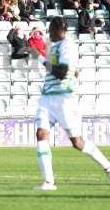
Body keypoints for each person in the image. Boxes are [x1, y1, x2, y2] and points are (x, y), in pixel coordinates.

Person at [33, 17, 110, 190]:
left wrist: (40, 59)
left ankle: (107, 166)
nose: (49, 33)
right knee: (41, 134)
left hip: (64, 99)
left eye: (51, 29)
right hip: (47, 98)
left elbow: (61, 73)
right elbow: (67, 71)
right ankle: (48, 181)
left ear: (60, 29)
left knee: (77, 142)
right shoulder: (55, 46)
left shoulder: (68, 46)